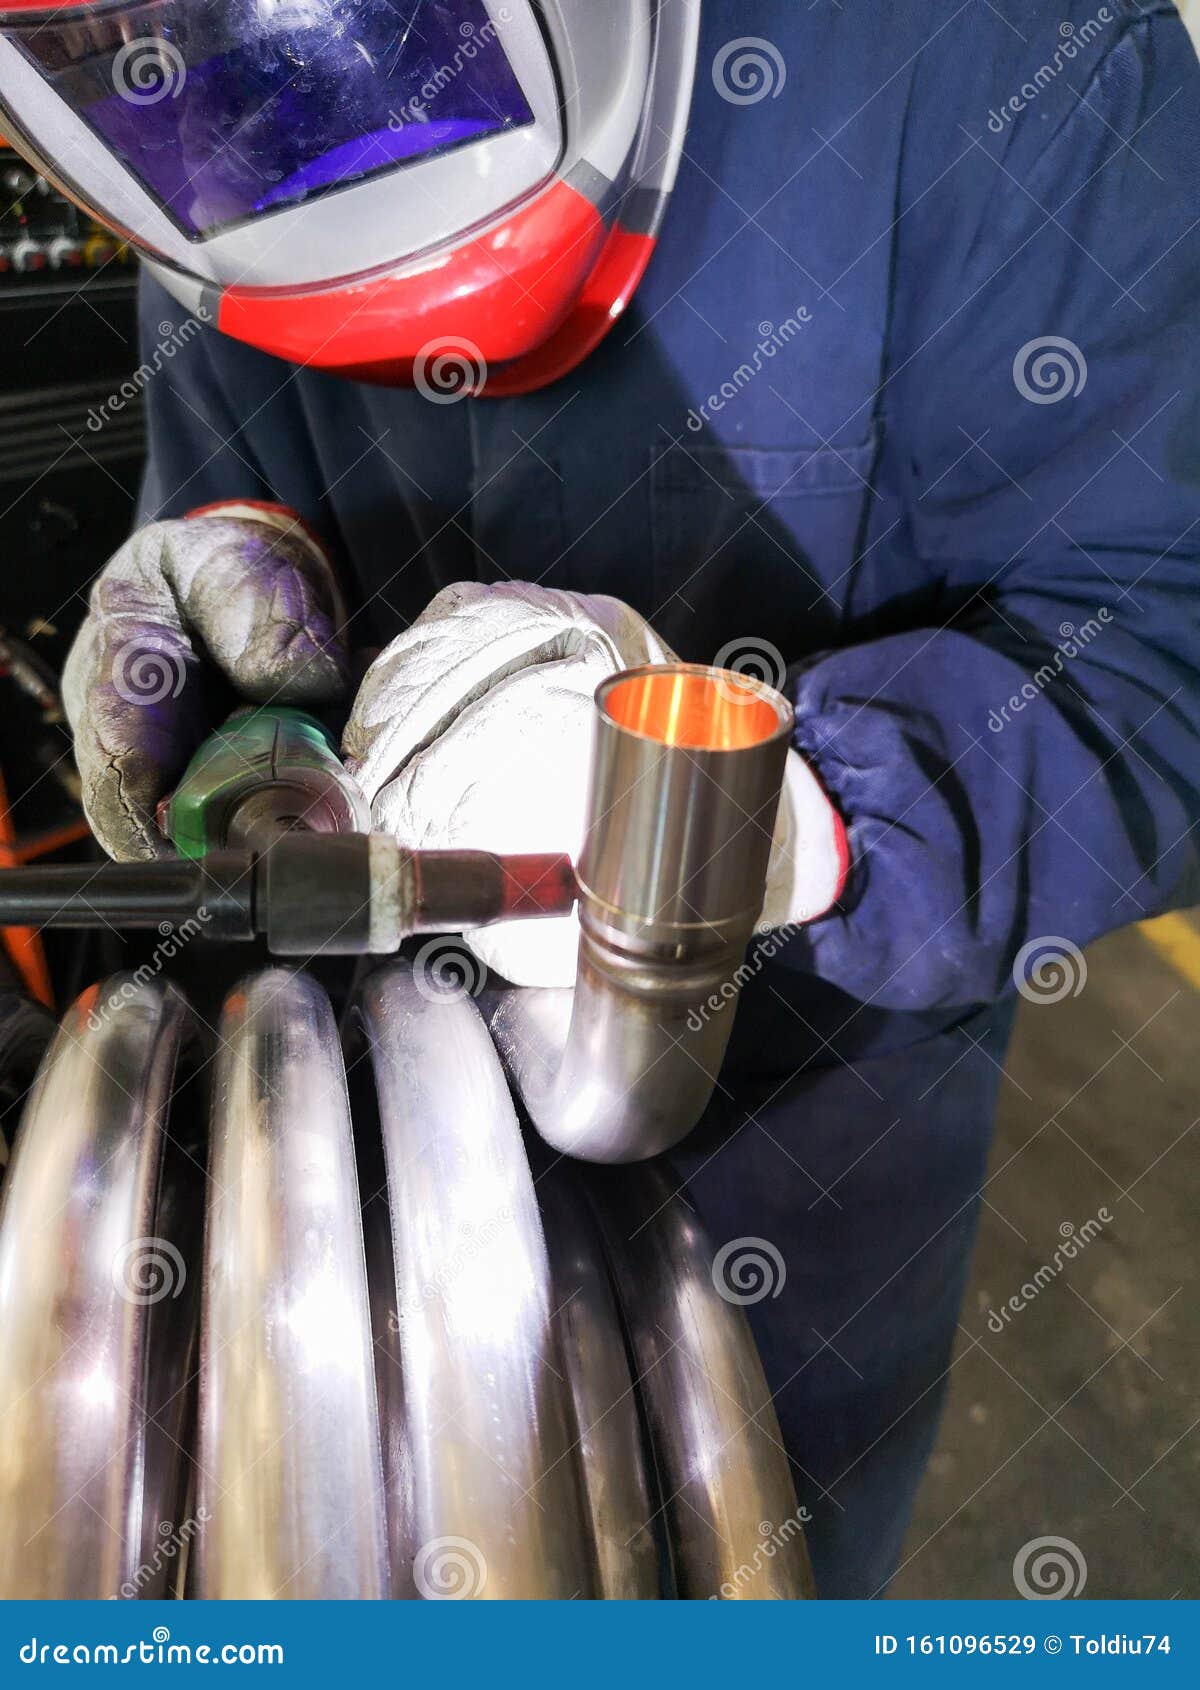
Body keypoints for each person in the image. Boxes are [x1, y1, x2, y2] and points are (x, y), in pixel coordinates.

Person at [6, 0, 1199, 1595]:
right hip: (346, 1136)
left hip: (791, 1163)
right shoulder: (164, 78)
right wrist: (222, 640)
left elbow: (1164, 641)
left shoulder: (1006, 59)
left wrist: (779, 814)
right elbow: (234, 461)